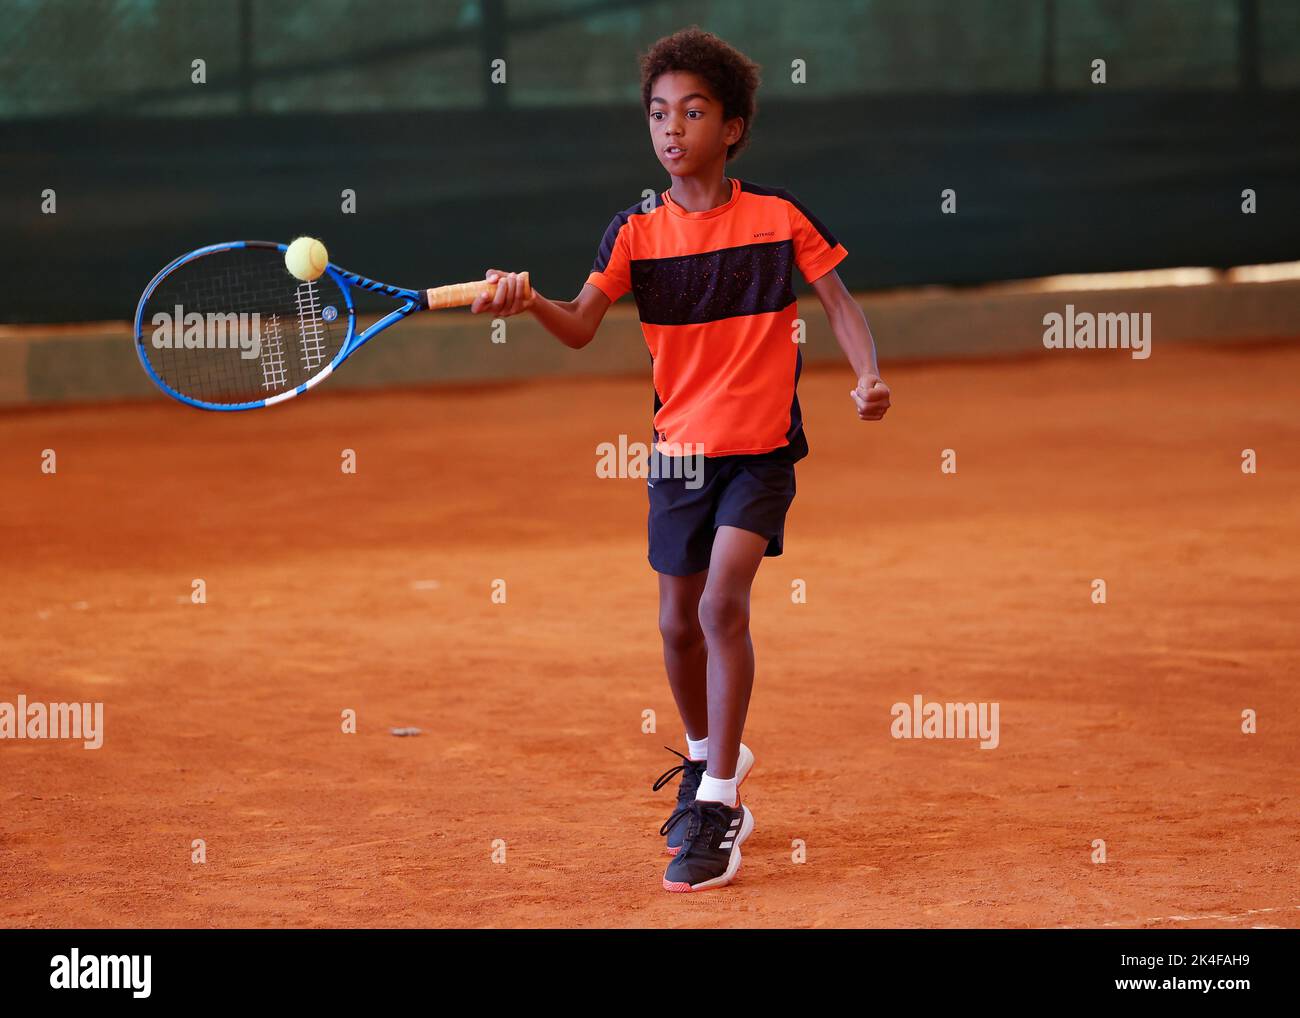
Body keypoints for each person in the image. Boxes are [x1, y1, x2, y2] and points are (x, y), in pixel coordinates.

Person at [473, 26, 890, 892]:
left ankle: (720, 801)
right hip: (679, 458)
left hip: (761, 453)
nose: (672, 128)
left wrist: (869, 376)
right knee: (674, 624)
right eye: (659, 113)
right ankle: (705, 757)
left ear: (731, 127)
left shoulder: (778, 219)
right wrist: (528, 300)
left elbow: (840, 304)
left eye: (693, 111)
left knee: (722, 605)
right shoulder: (634, 233)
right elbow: (582, 326)